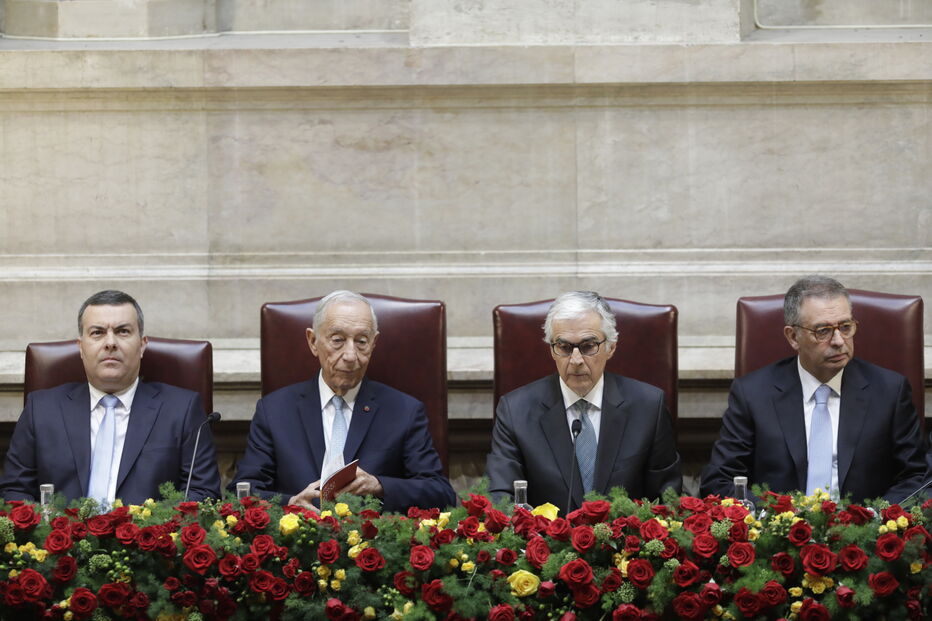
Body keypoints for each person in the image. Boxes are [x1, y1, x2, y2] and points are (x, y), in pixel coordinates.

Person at [701, 276, 926, 504]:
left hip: (865, 532)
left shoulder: (889, 391)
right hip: (776, 533)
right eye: (823, 331)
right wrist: (772, 521)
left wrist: (876, 518)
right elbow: (720, 480)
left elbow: (918, 477)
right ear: (793, 336)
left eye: (845, 327)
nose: (838, 340)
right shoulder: (752, 394)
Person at [232, 290, 456, 512]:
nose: (350, 355)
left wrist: (380, 486)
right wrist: (290, 505)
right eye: (338, 340)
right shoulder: (275, 411)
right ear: (313, 341)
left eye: (361, 341)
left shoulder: (404, 411)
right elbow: (242, 492)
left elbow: (440, 493)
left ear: (374, 343)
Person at [0, 290, 220, 505]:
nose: (110, 343)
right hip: (58, 539)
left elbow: (202, 493)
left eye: (123, 331)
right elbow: (15, 490)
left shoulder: (182, 410)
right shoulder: (41, 409)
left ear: (142, 345)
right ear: (81, 347)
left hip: (148, 538)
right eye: (97, 332)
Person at [485, 291, 682, 512]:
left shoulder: (648, 407)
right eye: (564, 347)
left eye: (588, 346)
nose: (576, 360)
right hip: (542, 544)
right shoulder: (515, 411)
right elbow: (501, 498)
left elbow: (667, 500)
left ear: (611, 347)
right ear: (552, 350)